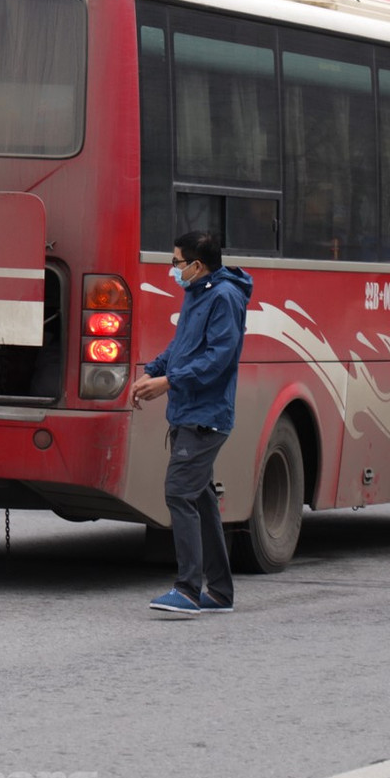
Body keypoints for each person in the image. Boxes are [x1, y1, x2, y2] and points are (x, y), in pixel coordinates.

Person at [130, 231, 252, 617]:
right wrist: (155, 369)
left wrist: (169, 382)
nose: (173, 269)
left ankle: (187, 589)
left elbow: (218, 359)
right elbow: (182, 345)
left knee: (179, 493)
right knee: (200, 499)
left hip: (206, 416)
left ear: (198, 265)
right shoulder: (198, 293)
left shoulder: (224, 298)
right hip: (189, 411)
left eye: (177, 262)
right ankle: (218, 593)